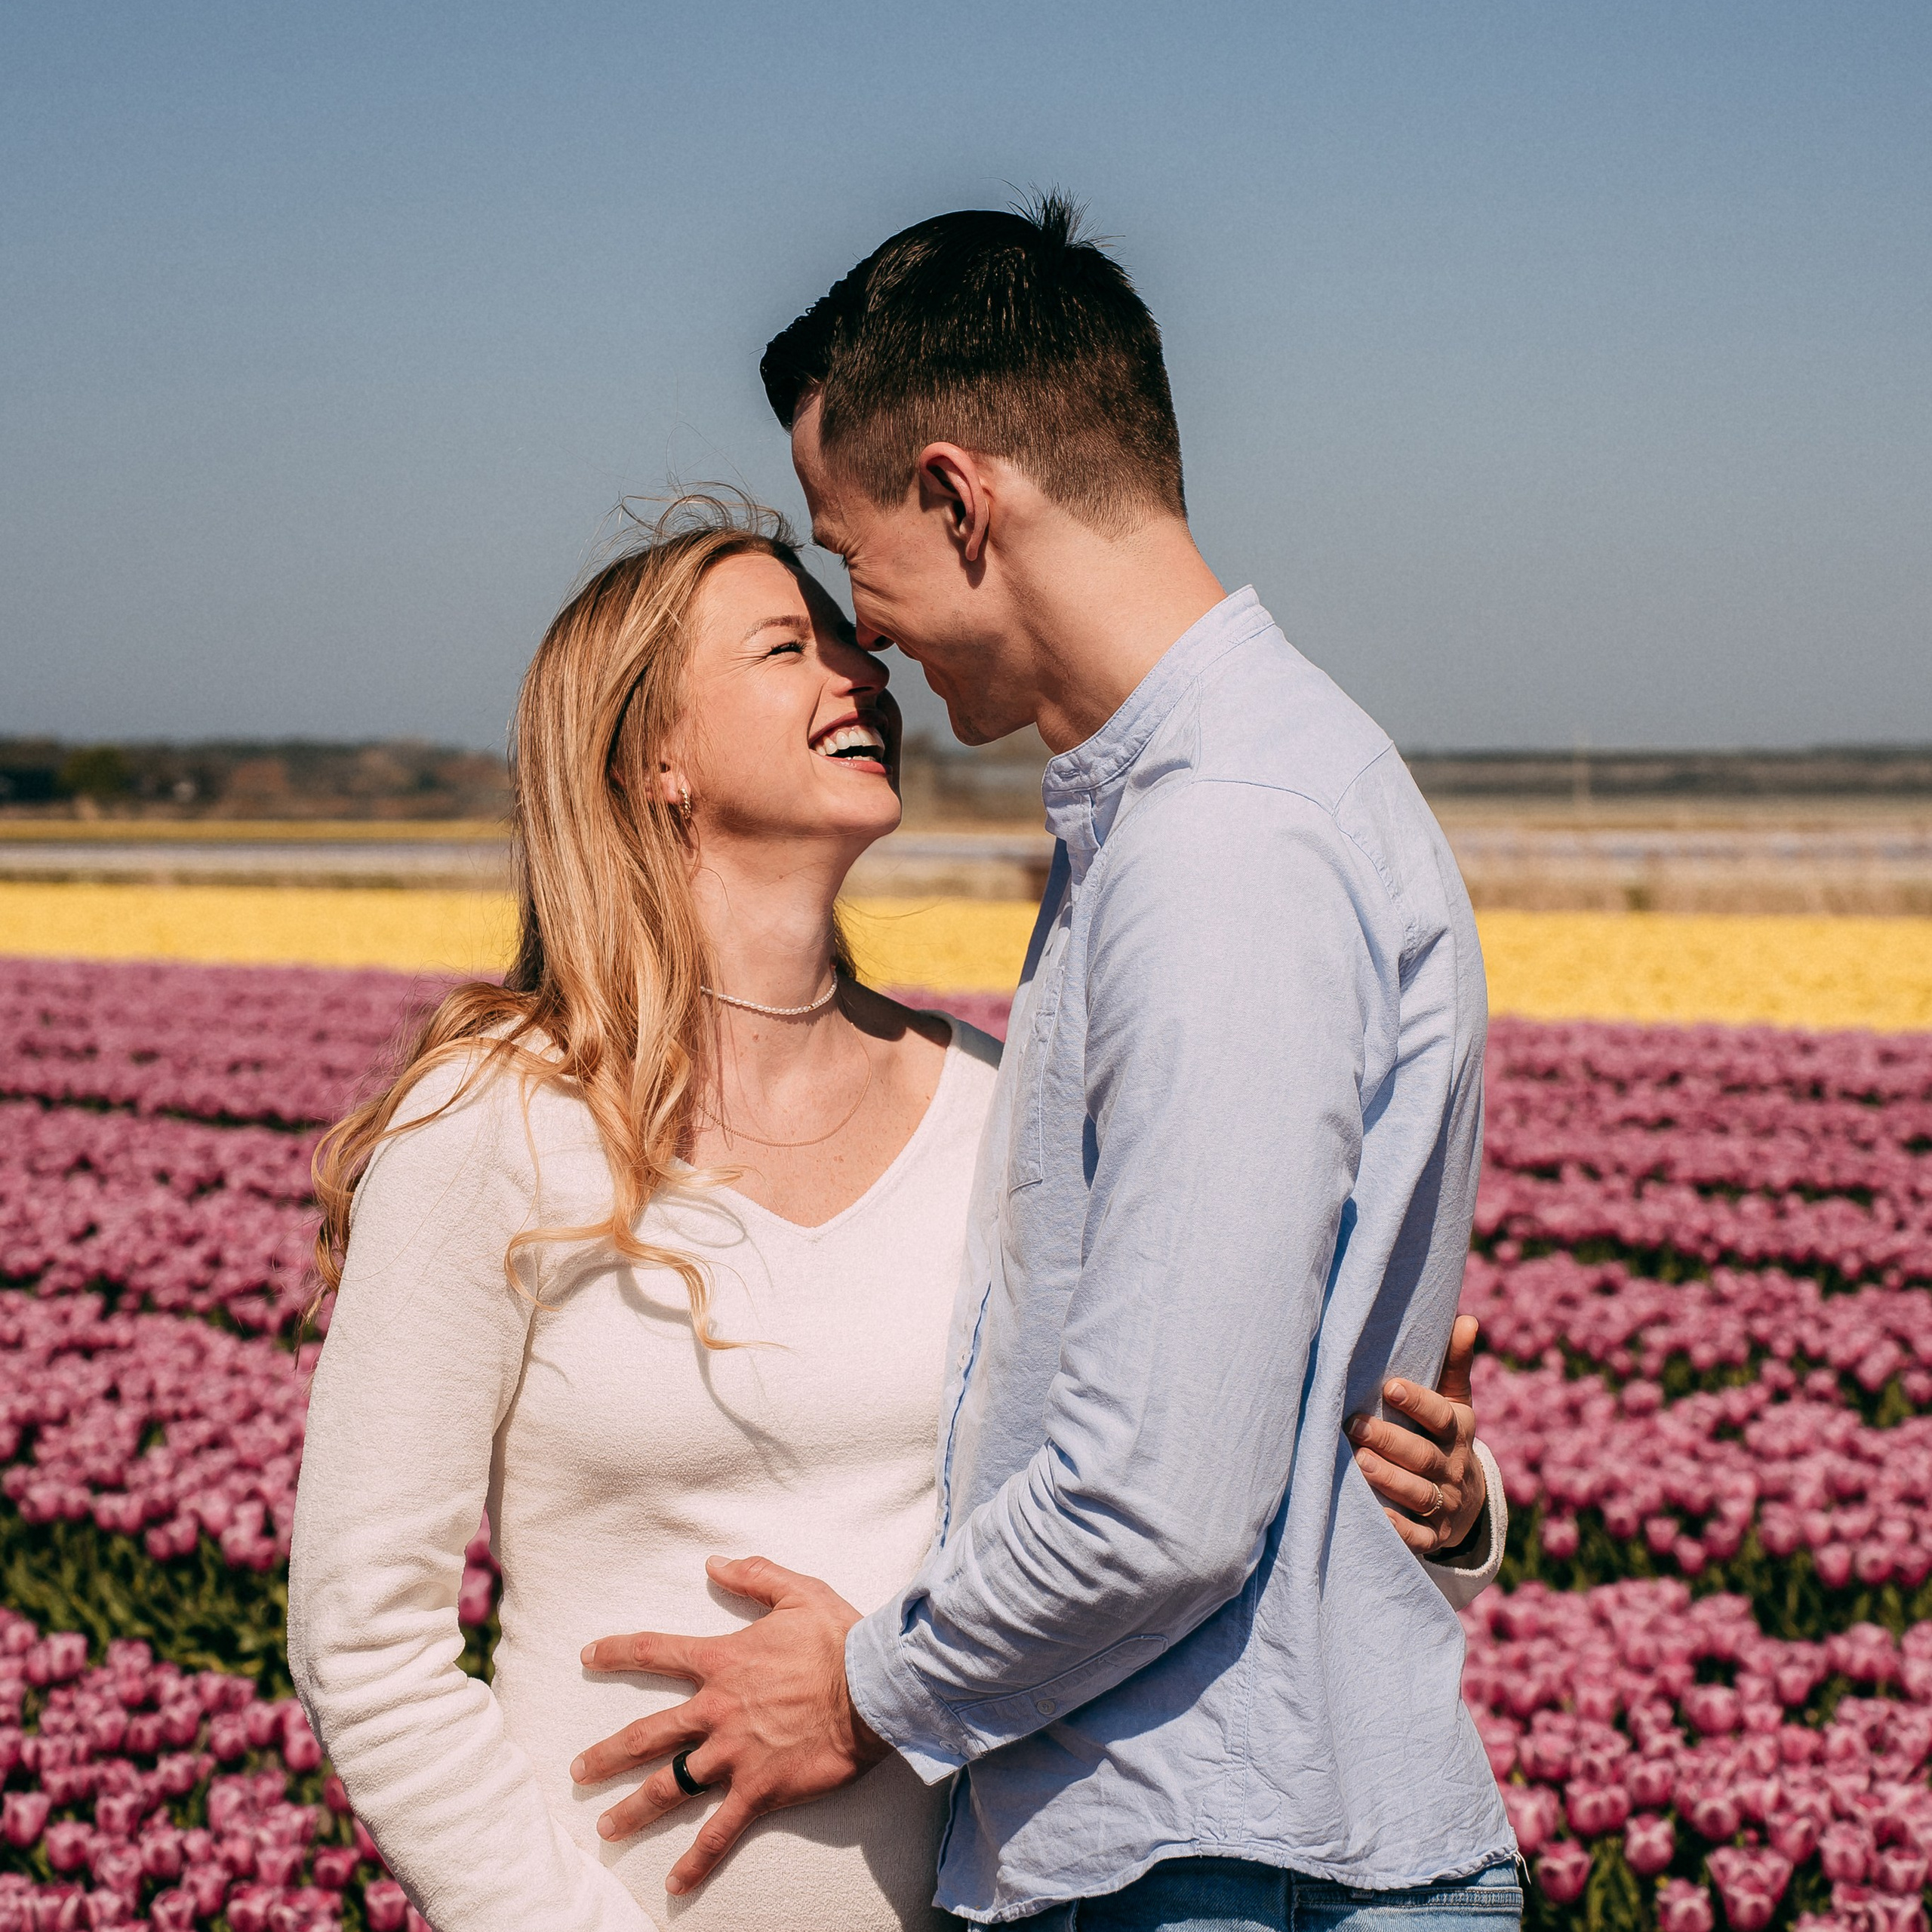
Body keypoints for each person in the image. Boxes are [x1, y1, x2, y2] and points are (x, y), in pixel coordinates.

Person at [287, 495, 1496, 1932]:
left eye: (852, 647)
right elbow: (366, 1641)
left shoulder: (997, 1108)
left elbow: (1170, 1459)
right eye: (785, 649)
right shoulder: (497, 1118)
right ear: (650, 755)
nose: (860, 677)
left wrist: (1440, 1505)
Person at [566, 201, 1521, 1932]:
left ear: (958, 496)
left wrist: (855, 1686)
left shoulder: (1215, 842)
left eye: (851, 558)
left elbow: (1157, 1491)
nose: (872, 642)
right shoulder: (1207, 805)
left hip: (1214, 1860)